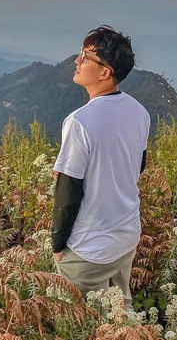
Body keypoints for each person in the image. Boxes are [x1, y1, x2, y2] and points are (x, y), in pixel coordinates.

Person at [51, 25, 150, 307]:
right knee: (119, 319)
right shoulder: (139, 112)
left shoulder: (80, 122)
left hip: (88, 249)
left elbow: (67, 194)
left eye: (85, 56)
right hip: (126, 237)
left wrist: (59, 247)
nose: (76, 60)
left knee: (78, 330)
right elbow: (136, 166)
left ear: (104, 72)